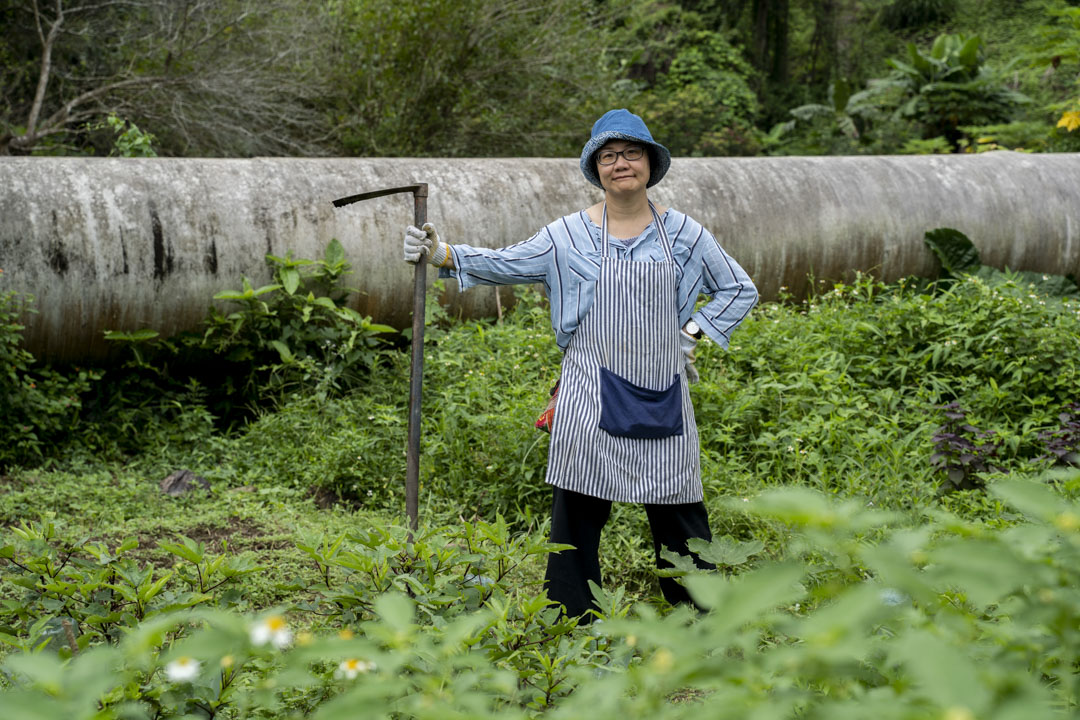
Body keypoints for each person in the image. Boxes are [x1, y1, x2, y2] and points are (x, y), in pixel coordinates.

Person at [403, 109, 758, 619]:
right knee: (577, 510)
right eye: (608, 156)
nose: (620, 164)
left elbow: (738, 289)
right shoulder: (566, 236)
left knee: (678, 508)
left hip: (662, 391)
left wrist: (692, 331)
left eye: (631, 153)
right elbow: (506, 261)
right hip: (589, 389)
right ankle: (572, 617)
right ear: (596, 168)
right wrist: (442, 254)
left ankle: (703, 618)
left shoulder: (685, 234)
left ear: (650, 164)